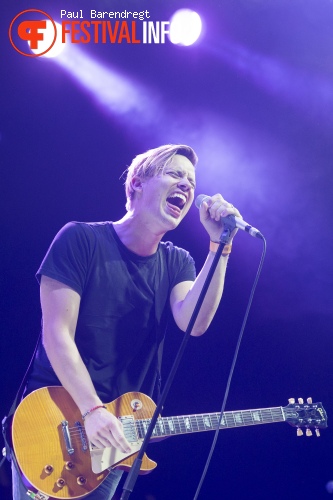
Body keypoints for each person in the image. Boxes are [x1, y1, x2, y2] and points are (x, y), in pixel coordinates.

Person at [11, 144, 241, 499]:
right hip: (53, 422)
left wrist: (219, 245)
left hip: (118, 437)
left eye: (191, 182)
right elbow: (57, 336)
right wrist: (93, 410)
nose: (186, 186)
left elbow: (194, 323)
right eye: (175, 174)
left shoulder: (177, 262)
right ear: (136, 183)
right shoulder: (80, 239)